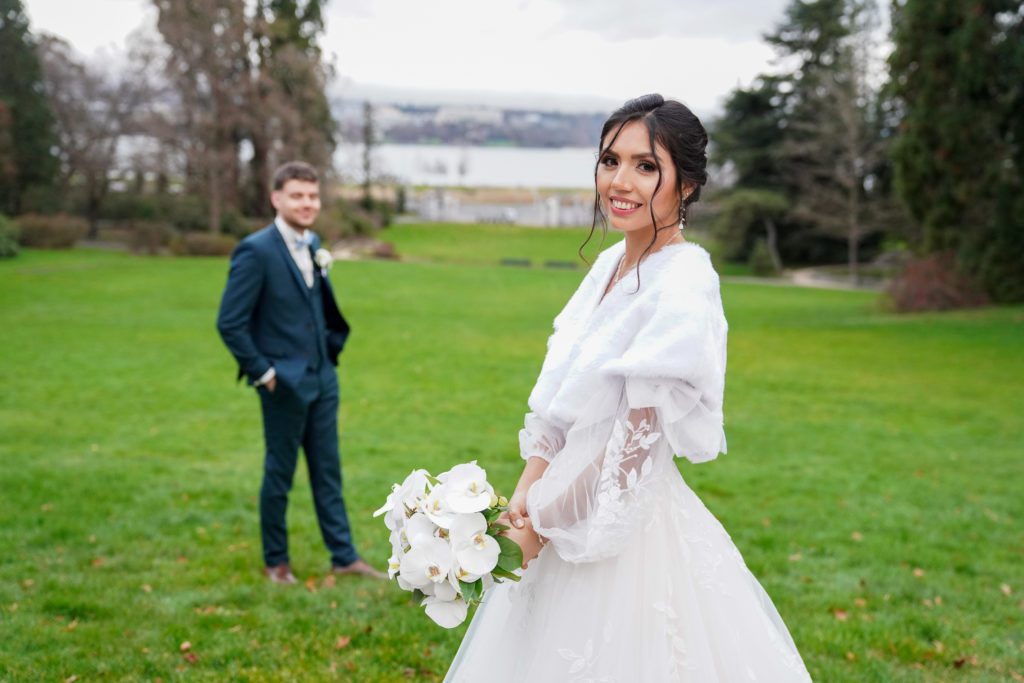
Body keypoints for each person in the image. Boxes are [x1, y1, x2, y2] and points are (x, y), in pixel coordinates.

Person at [444, 95, 812, 681]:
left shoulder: (685, 286)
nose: (620, 181)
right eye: (610, 160)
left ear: (686, 185)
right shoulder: (608, 265)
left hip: (626, 538)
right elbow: (558, 409)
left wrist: (532, 529)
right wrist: (514, 508)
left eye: (646, 166)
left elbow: (631, 450)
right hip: (555, 507)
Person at [216, 161, 384, 583]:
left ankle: (344, 556)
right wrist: (265, 373)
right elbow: (229, 322)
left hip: (323, 378)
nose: (306, 203)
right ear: (277, 199)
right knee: (280, 473)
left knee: (328, 471)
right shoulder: (255, 250)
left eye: (312, 196)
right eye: (297, 195)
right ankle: (277, 563)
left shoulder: (314, 245)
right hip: (283, 384)